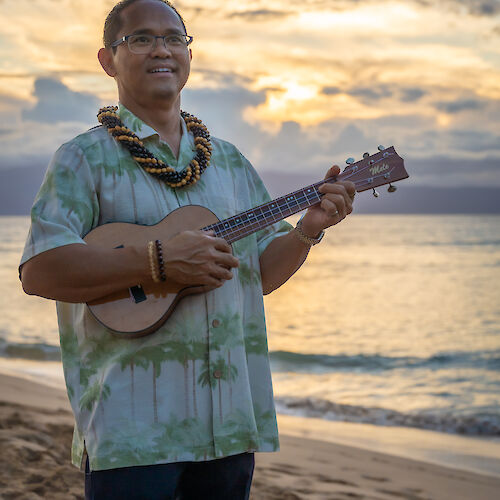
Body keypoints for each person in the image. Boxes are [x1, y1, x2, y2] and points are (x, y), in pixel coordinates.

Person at [19, 0, 355, 498]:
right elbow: (41, 271)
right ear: (108, 59)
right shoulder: (81, 159)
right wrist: (157, 262)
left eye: (175, 38)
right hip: (133, 429)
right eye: (142, 38)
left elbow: (257, 274)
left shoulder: (231, 163)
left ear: (188, 55)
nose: (163, 49)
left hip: (229, 426)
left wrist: (308, 229)